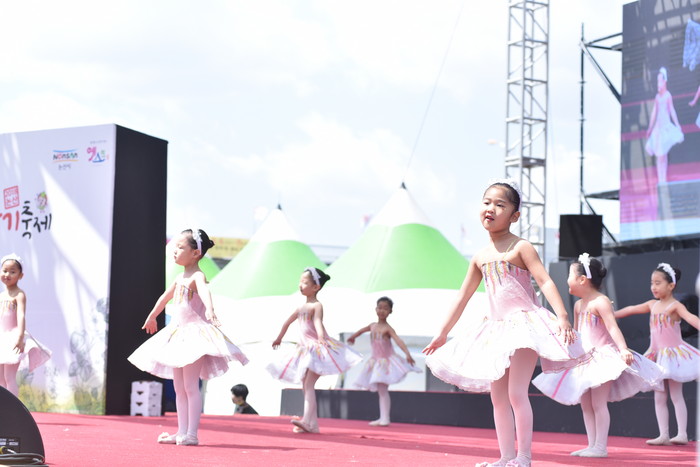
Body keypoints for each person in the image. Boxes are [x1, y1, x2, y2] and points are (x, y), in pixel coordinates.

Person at [422, 179, 583, 467]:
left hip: (525, 326)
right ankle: (506, 456)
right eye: (487, 202)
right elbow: (462, 297)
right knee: (498, 397)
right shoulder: (480, 257)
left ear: (514, 216)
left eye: (500, 204)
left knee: (516, 393)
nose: (491, 208)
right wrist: (443, 333)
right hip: (496, 329)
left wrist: (562, 316)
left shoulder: (522, 247)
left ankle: (524, 457)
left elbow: (545, 281)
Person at [532, 254, 664, 458]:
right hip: (586, 359)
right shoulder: (578, 305)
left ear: (582, 279)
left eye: (570, 276)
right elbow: (578, 333)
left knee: (598, 403)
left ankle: (600, 446)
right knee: (586, 404)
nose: (567, 280)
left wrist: (623, 349)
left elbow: (612, 327)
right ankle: (591, 444)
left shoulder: (601, 302)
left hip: (603, 358)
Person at [128, 229, 248, 446]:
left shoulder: (197, 276)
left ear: (195, 253)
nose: (175, 250)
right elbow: (164, 298)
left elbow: (204, 291)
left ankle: (192, 433)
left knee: (191, 386)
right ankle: (181, 431)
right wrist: (152, 316)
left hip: (194, 336)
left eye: (181, 247)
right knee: (179, 388)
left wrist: (210, 309)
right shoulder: (179, 277)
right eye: (175, 247)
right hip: (178, 335)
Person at [267, 267, 361, 434]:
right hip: (305, 349)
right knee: (306, 385)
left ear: (316, 287)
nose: (300, 285)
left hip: (316, 349)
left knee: (308, 385)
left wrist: (321, 337)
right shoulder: (301, 307)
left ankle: (306, 420)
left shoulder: (317, 305)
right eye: (300, 282)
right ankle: (313, 424)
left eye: (305, 282)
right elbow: (287, 322)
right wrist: (279, 338)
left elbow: (318, 322)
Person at [615, 263, 700, 446]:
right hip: (656, 356)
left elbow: (691, 318)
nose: (653, 287)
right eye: (652, 283)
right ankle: (663, 434)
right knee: (659, 396)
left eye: (658, 283)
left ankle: (682, 434)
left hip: (674, 357)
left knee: (676, 395)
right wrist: (611, 314)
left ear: (671, 285)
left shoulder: (675, 306)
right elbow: (631, 309)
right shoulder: (652, 305)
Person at [347, 296, 420, 427]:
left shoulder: (388, 328)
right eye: (379, 307)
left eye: (385, 308)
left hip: (385, 363)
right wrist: (353, 337)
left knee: (383, 390)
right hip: (375, 361)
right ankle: (383, 417)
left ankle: (385, 418)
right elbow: (361, 331)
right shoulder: (372, 326)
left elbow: (398, 341)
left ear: (390, 311)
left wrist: (407, 354)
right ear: (375, 309)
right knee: (381, 391)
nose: (382, 311)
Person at [0, 254, 51, 396]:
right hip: (2, 338)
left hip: (13, 338)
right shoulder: (1, 296)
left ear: (20, 275)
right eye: (4, 271)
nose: (7, 274)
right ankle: (2, 405)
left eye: (12, 272)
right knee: (0, 379)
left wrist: (20, 337)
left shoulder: (19, 294)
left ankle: (12, 406)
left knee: (9, 377)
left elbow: (21, 315)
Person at [645, 66, 684, 185]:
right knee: (659, 155)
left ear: (665, 81)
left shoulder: (667, 95)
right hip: (658, 129)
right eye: (657, 81)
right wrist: (650, 128)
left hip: (665, 127)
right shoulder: (657, 97)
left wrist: (677, 124)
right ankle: (661, 179)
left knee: (663, 154)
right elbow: (654, 113)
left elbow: (672, 110)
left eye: (660, 81)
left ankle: (663, 180)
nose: (658, 83)